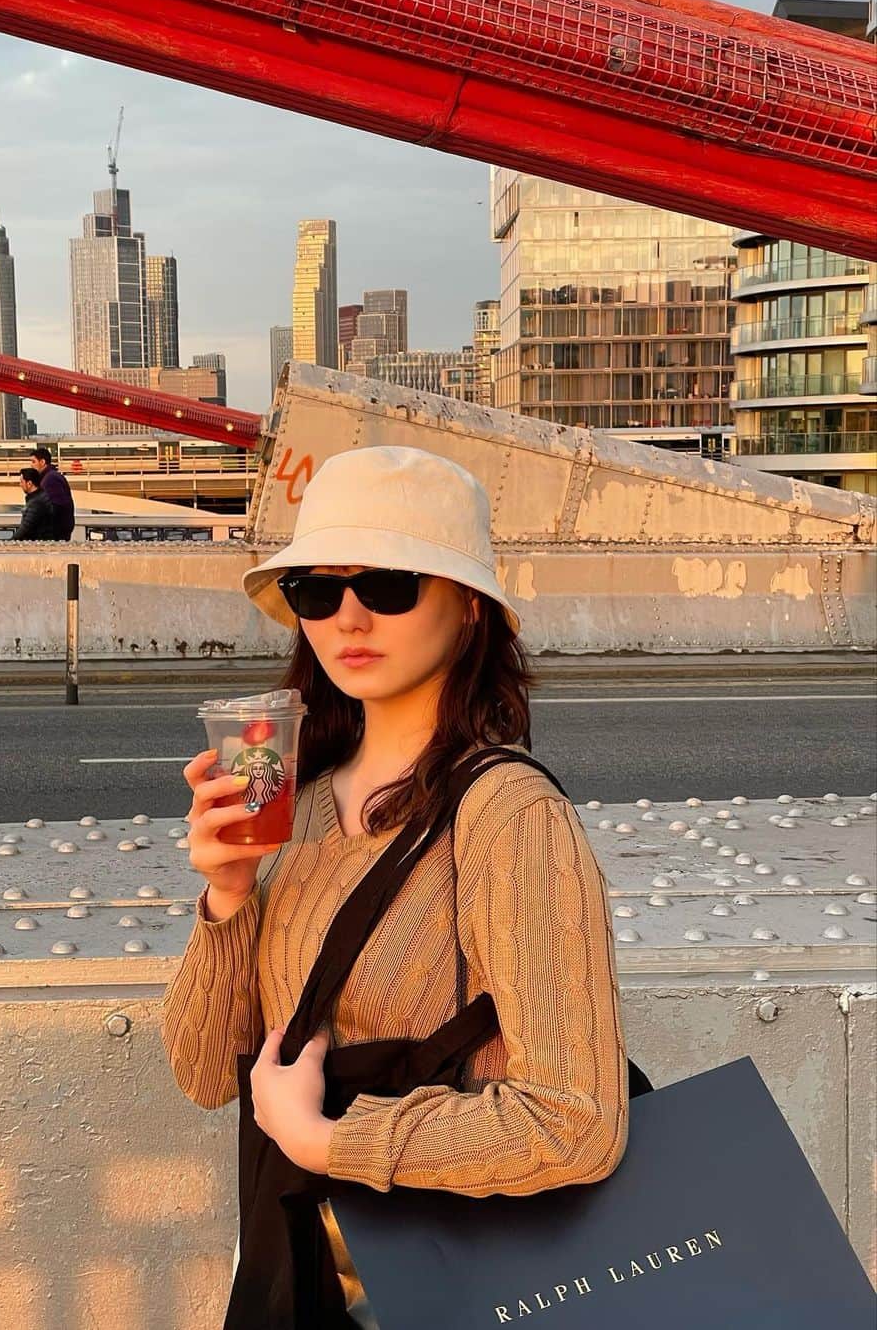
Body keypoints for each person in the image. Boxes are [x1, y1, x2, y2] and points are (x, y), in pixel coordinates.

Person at [158, 445, 635, 1329]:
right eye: (316, 591)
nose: (349, 617)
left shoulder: (508, 814)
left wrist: (326, 1141)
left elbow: (579, 1123)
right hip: (307, 1274)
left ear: (469, 608)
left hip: (444, 1282)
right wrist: (227, 896)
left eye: (388, 584)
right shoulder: (294, 802)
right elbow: (204, 1072)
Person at [30, 446, 75, 541]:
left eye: (33, 462)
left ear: (42, 462)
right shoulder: (50, 476)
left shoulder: (50, 479)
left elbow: (56, 507)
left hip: (55, 532)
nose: (31, 465)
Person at [12, 468, 57, 541]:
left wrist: (10, 542)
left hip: (38, 543)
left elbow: (25, 528)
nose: (20, 484)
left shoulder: (36, 503)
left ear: (29, 483)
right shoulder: (41, 495)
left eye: (21, 482)